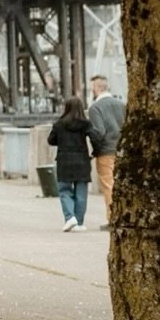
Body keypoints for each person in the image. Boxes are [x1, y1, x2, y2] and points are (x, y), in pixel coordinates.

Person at [47, 97, 101, 232]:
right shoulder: (86, 124)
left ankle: (70, 217)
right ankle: (79, 222)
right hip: (82, 160)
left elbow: (51, 140)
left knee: (65, 190)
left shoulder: (59, 124)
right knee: (81, 193)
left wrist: (62, 140)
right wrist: (95, 152)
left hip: (64, 161)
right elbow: (96, 138)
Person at [88, 74, 126, 230]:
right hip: (123, 150)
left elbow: (99, 132)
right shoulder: (121, 105)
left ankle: (113, 218)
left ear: (97, 88)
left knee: (108, 185)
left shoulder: (95, 108)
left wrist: (95, 150)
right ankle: (125, 217)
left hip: (106, 151)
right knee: (122, 185)